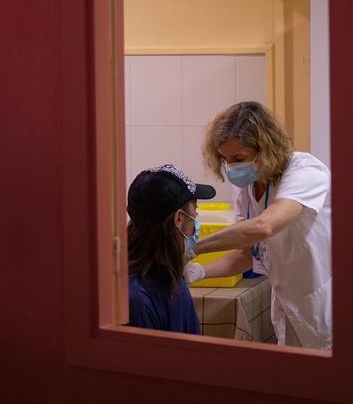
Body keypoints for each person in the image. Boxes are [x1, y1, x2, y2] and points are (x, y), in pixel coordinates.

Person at [191, 102, 332, 350]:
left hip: (329, 303)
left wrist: (191, 248)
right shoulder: (246, 185)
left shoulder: (305, 171)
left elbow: (264, 226)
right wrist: (198, 273)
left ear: (266, 148)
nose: (232, 167)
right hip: (291, 304)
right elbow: (246, 253)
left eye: (239, 158)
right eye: (225, 160)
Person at [126, 164, 216, 334]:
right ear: (179, 219)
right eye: (195, 209)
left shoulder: (170, 274)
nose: (197, 216)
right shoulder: (138, 300)